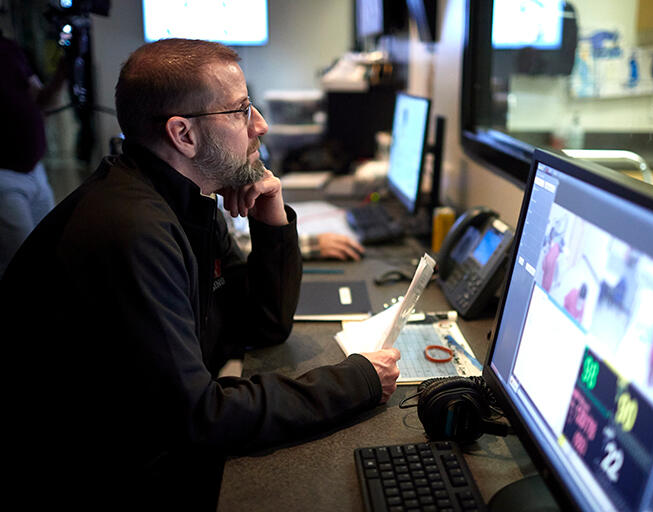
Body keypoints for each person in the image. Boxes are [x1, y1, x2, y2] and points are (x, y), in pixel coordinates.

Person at [0, 38, 400, 510]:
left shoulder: (189, 202)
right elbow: (199, 416)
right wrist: (356, 381)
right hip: (90, 478)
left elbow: (261, 323)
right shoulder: (132, 231)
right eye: (241, 110)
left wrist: (269, 214)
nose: (261, 125)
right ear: (183, 134)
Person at [0, 33, 64, 277]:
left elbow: (44, 101)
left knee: (49, 247)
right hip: (4, 178)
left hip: (35, 170)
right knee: (21, 264)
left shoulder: (10, 48)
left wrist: (64, 71)